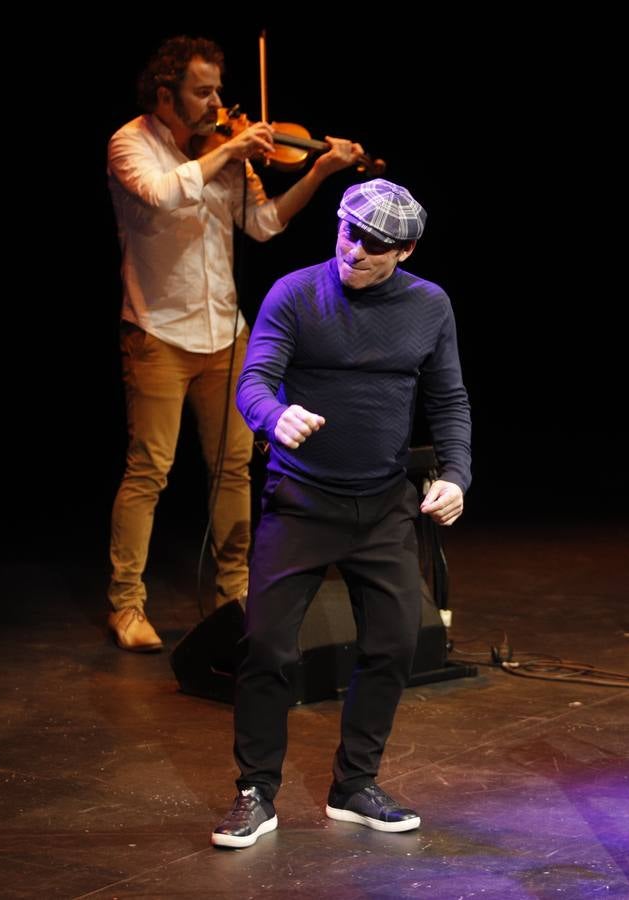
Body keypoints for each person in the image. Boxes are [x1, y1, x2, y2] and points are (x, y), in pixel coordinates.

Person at [211, 179, 471, 848]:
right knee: (267, 647)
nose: (356, 251)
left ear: (406, 250)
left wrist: (458, 477)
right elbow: (255, 379)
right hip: (300, 501)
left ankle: (355, 785)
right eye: (349, 234)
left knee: (392, 646)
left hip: (384, 504)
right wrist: (275, 416)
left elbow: (449, 402)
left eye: (377, 245)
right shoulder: (296, 292)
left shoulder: (429, 306)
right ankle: (255, 793)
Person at [106, 36, 364, 651]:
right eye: (204, 92)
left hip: (227, 335)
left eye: (219, 90)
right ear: (166, 95)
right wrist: (230, 154)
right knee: (150, 471)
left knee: (234, 470)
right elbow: (164, 194)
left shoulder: (227, 152)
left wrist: (322, 169)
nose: (219, 105)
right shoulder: (130, 144)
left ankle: (234, 592)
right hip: (157, 333)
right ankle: (126, 604)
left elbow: (265, 224)